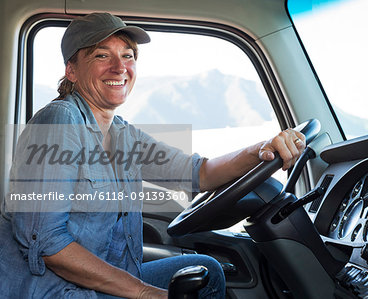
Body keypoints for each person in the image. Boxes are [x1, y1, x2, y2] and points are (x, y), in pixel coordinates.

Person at [0, 13, 305, 299]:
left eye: (127, 56)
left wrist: (263, 148)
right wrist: (147, 293)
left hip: (95, 282)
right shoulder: (59, 121)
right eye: (102, 55)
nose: (119, 67)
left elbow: (198, 172)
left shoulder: (121, 133)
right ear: (72, 70)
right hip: (54, 290)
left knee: (207, 271)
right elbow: (50, 247)